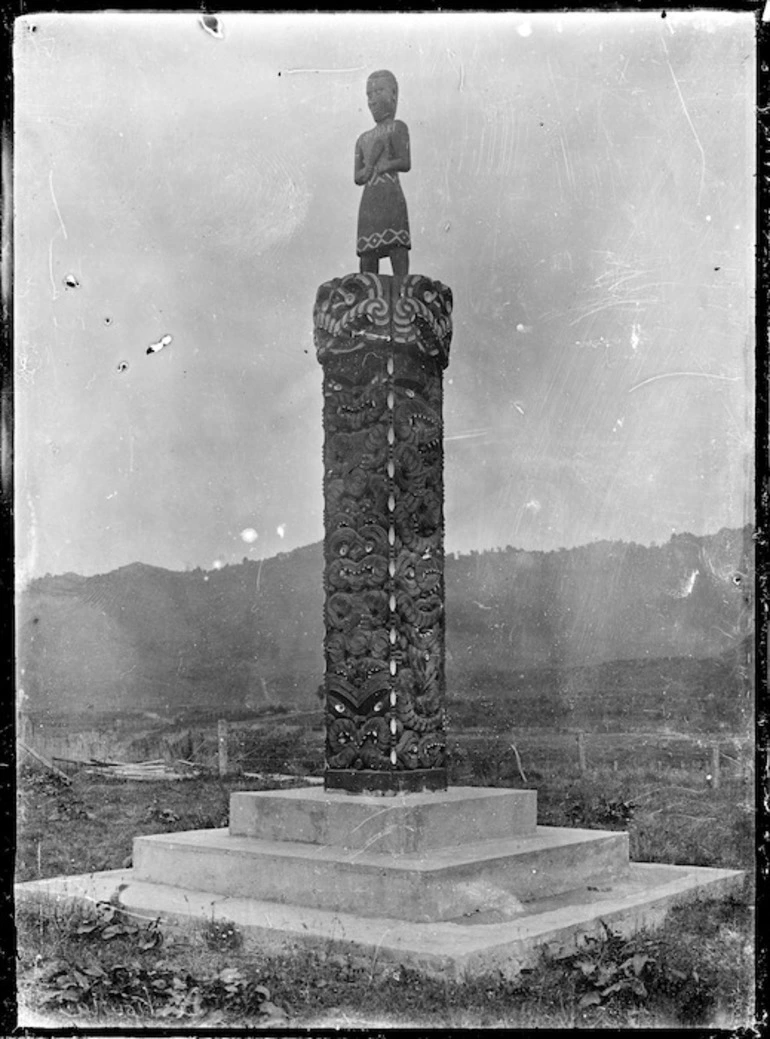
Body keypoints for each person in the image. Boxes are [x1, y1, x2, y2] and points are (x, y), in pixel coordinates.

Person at [355, 70, 411, 277]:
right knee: (367, 254)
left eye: (379, 91)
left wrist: (384, 166)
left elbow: (405, 162)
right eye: (369, 95)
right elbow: (357, 177)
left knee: (397, 246)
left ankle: (402, 288)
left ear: (393, 94)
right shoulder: (363, 139)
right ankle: (369, 288)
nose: (373, 100)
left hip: (390, 195)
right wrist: (368, 168)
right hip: (370, 200)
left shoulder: (398, 128)